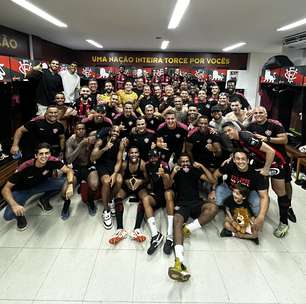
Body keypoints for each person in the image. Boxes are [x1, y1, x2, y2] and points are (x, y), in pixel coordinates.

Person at [222, 121, 290, 237]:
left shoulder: (245, 136)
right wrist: (230, 158)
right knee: (263, 190)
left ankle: (284, 222)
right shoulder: (234, 139)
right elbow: (238, 152)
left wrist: (266, 169)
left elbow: (271, 151)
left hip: (275, 162)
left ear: (235, 128)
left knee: (279, 191)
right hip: (260, 162)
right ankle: (259, 214)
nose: (228, 133)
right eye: (225, 132)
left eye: (229, 130)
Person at [168, 153, 217, 282]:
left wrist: (201, 166)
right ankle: (179, 262)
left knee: (213, 208)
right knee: (177, 220)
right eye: (182, 161)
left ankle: (187, 229)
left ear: (190, 162)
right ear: (179, 163)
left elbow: (212, 180)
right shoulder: (177, 172)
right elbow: (167, 185)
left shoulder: (195, 171)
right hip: (182, 204)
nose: (185, 163)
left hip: (196, 203)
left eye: (187, 161)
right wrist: (173, 172)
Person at [2, 143, 74, 230]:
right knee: (8, 216)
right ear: (36, 155)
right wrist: (14, 205)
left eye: (47, 153)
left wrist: (70, 185)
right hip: (23, 190)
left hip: (41, 184)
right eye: (41, 154)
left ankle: (44, 199)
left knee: (64, 183)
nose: (44, 156)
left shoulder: (52, 160)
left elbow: (69, 170)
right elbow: (5, 189)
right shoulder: (25, 167)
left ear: (50, 154)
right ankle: (20, 214)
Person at [247, 106, 296, 223]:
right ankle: (264, 208)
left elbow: (284, 140)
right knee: (262, 186)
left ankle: (288, 207)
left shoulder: (274, 124)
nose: (258, 115)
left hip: (280, 160)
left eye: (261, 113)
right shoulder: (251, 126)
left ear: (266, 114)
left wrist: (267, 139)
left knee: (285, 184)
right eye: (256, 113)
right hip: (261, 160)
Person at [213, 150, 269, 233]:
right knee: (216, 201)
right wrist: (213, 189)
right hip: (230, 189)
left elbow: (264, 196)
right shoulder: (230, 165)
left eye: (243, 159)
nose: (240, 161)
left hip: (248, 192)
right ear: (234, 160)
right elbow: (216, 174)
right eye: (238, 159)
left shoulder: (256, 174)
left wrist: (261, 216)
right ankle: (230, 210)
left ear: (248, 161)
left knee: (258, 210)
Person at [109, 146, 149, 244]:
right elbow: (121, 178)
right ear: (128, 154)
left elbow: (147, 179)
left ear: (138, 154)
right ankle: (120, 229)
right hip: (127, 186)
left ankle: (137, 230)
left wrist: (140, 181)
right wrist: (127, 182)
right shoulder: (124, 164)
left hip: (139, 186)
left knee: (144, 199)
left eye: (136, 152)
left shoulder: (142, 164)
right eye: (131, 153)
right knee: (118, 197)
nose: (134, 155)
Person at [90, 125, 126, 229]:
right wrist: (105, 148)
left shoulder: (120, 143)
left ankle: (110, 201)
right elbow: (92, 158)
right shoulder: (101, 141)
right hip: (102, 165)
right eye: (113, 131)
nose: (115, 133)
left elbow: (119, 160)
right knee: (106, 181)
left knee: (119, 180)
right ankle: (106, 210)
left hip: (113, 165)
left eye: (117, 131)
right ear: (109, 131)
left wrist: (115, 174)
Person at [143, 149, 175, 255]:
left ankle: (170, 234)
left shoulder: (164, 165)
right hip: (156, 194)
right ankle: (155, 235)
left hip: (166, 191)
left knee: (168, 193)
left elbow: (168, 185)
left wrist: (164, 175)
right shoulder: (147, 165)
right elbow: (148, 180)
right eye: (151, 157)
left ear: (158, 157)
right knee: (145, 199)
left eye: (155, 157)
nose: (153, 159)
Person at [65, 123, 97, 215]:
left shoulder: (89, 138)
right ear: (75, 130)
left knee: (94, 185)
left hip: (89, 166)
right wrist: (81, 145)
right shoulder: (70, 141)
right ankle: (66, 204)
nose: (81, 130)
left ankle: (90, 201)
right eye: (78, 129)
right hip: (76, 168)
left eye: (83, 129)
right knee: (64, 191)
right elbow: (69, 159)